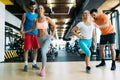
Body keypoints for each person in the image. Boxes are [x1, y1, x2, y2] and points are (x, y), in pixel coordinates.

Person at [22, 5, 56, 76]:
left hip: (47, 37)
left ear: (43, 10)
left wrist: (52, 35)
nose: (40, 9)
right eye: (39, 8)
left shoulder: (47, 18)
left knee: (43, 51)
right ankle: (46, 50)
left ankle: (43, 69)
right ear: (38, 11)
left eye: (41, 8)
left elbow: (54, 26)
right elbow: (33, 29)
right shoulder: (36, 20)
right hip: (39, 38)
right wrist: (25, 31)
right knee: (41, 52)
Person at [20, 1, 40, 72]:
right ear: (29, 6)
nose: (33, 8)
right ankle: (26, 64)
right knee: (26, 49)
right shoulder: (25, 14)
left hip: (35, 34)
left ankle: (34, 64)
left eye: (34, 7)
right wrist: (21, 30)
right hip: (28, 34)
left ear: (36, 7)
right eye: (32, 7)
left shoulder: (37, 15)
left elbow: (39, 25)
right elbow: (22, 23)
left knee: (35, 49)